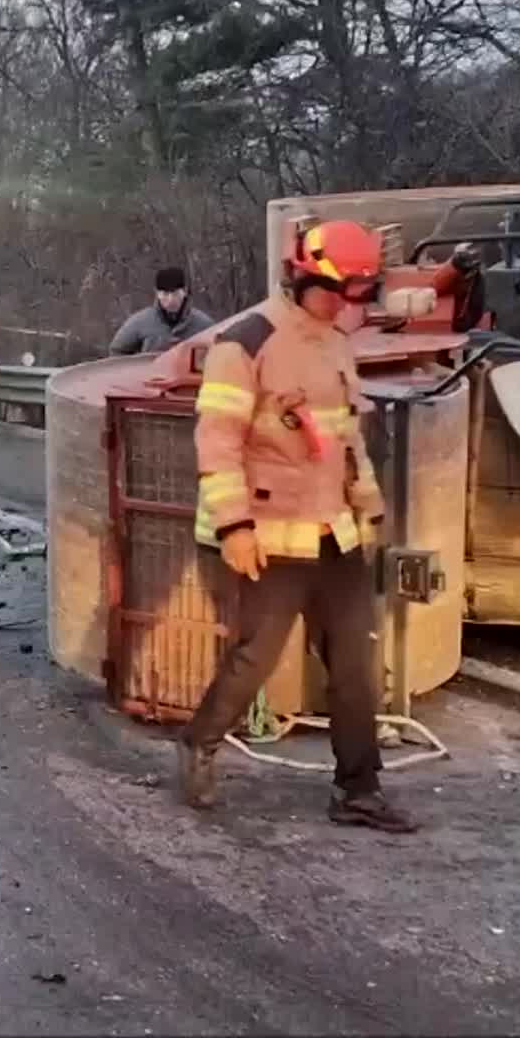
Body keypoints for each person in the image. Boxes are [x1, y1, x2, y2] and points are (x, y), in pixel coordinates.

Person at [178, 220, 415, 834]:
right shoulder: (246, 342)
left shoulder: (336, 340)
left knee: (356, 665)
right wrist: (234, 528)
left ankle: (358, 790)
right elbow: (218, 442)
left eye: (355, 295)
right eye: (336, 292)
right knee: (256, 657)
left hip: (334, 532)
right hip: (271, 533)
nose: (344, 305)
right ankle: (200, 741)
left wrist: (367, 505)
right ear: (302, 276)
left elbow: (344, 437)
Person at [108, 266, 215, 356]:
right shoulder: (140, 322)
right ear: (157, 293)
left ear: (185, 292)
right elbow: (117, 351)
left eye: (175, 294)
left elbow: (219, 353)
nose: (171, 299)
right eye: (165, 294)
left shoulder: (204, 325)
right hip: (151, 378)